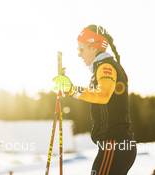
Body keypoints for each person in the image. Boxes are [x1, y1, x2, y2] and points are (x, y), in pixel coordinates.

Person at [53, 24, 136, 175]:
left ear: (93, 47)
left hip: (114, 144)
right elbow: (96, 94)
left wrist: (72, 90)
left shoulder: (106, 67)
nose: (79, 54)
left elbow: (102, 95)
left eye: (81, 49)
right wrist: (68, 89)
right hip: (115, 145)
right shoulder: (103, 67)